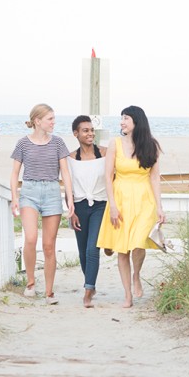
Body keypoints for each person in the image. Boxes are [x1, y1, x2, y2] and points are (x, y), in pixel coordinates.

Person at [97, 105, 165, 308]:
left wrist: (159, 207)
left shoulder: (150, 145)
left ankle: (137, 275)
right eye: (121, 118)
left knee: (138, 242)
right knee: (122, 249)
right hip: (121, 199)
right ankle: (127, 295)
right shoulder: (114, 144)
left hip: (145, 200)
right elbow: (108, 177)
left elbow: (154, 178)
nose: (122, 122)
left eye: (126, 118)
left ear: (137, 121)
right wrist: (113, 205)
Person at [10, 104, 74, 305]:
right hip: (29, 192)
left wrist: (69, 198)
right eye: (50, 119)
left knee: (48, 246)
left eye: (54, 119)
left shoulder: (58, 143)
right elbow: (14, 173)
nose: (54, 122)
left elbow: (65, 173)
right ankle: (30, 283)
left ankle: (49, 292)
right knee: (30, 238)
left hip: (52, 193)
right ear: (37, 121)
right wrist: (15, 197)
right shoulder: (23, 144)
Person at [67, 116, 108, 308]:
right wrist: (71, 210)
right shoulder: (70, 158)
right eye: (85, 130)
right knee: (82, 251)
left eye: (91, 130)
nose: (90, 133)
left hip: (100, 205)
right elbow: (67, 187)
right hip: (79, 207)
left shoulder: (106, 154)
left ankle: (88, 290)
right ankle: (90, 283)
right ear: (76, 134)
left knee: (93, 248)